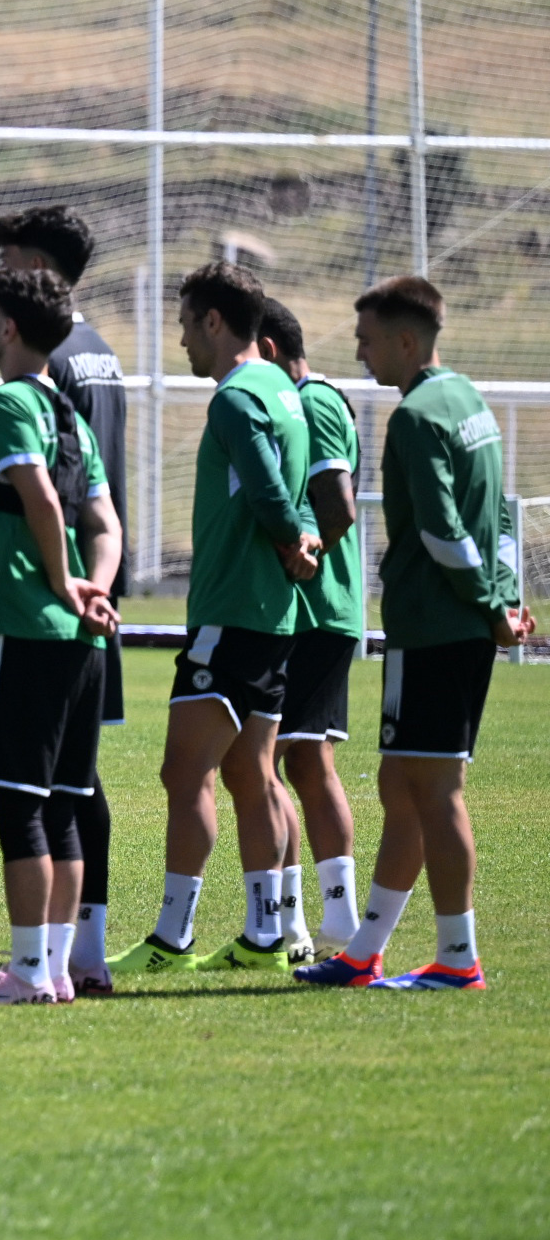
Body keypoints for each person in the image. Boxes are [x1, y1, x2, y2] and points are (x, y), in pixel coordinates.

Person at [299, 274, 531, 990]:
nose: (362, 356)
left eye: (368, 341)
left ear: (406, 339)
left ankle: (458, 959)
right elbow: (497, 517)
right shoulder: (470, 402)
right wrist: (504, 595)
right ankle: (364, 951)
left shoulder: (416, 417)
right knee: (402, 785)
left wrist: (492, 606)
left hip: (433, 627)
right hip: (454, 622)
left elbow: (441, 532)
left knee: (436, 792)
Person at [118, 260, 318, 977]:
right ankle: (268, 936)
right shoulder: (285, 390)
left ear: (213, 321)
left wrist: (292, 534)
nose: (180, 343)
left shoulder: (236, 397)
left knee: (184, 773)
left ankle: (173, 936)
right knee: (253, 774)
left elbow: (267, 486)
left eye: (183, 326)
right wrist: (303, 535)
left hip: (232, 612)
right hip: (271, 616)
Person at [0, 266, 122, 1004]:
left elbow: (32, 496)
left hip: (24, 626)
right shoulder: (73, 417)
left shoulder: (4, 404)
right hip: (82, 639)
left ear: (11, 329)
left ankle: (27, 969)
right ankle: (53, 967)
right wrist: (95, 584)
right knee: (60, 801)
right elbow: (105, 523)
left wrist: (61, 585)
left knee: (16, 801)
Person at [259, 298, 365, 962]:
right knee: (284, 761)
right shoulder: (307, 399)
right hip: (313, 608)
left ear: (266, 348)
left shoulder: (315, 401)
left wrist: (305, 557)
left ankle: (332, 923)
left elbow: (340, 506)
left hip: (319, 609)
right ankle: (298, 924)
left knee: (300, 760)